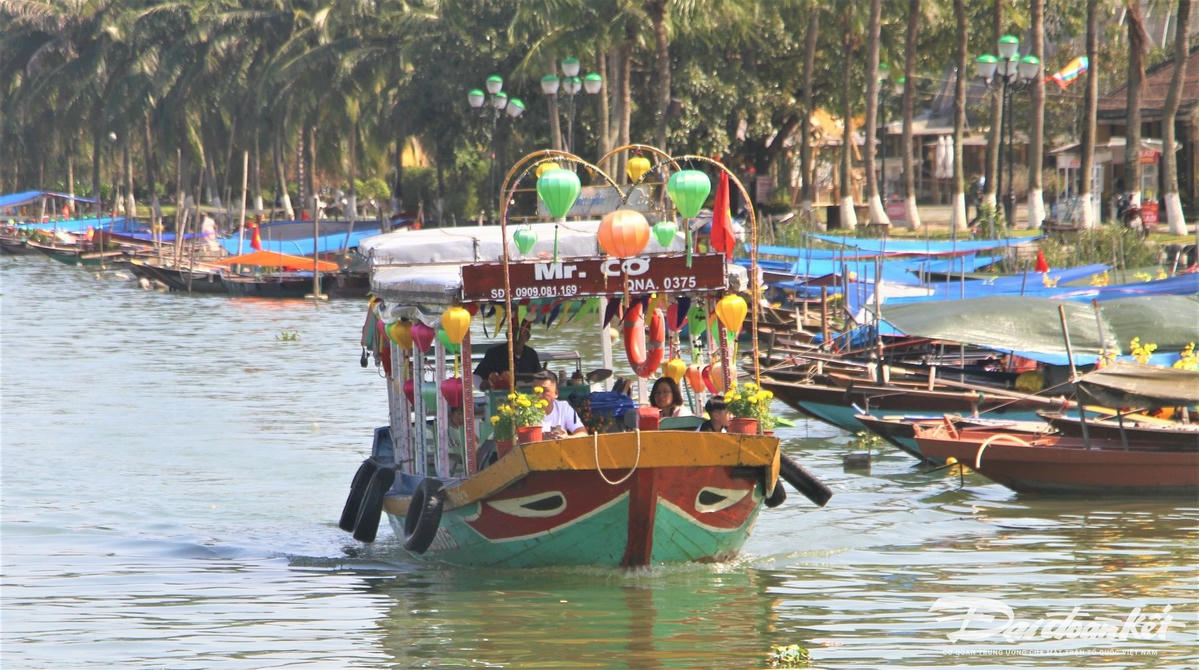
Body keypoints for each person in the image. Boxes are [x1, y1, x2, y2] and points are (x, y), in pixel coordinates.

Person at [473, 320, 541, 389]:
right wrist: (483, 385)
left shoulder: (532, 354)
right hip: (499, 396)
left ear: (527, 337)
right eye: (513, 332)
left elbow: (539, 377)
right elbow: (477, 376)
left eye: (521, 333)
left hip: (526, 396)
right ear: (507, 335)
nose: (516, 337)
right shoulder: (493, 353)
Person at [534, 371, 587, 438]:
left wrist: (567, 438)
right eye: (536, 391)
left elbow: (583, 434)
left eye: (545, 391)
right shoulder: (525, 410)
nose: (539, 395)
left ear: (556, 393)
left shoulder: (564, 407)